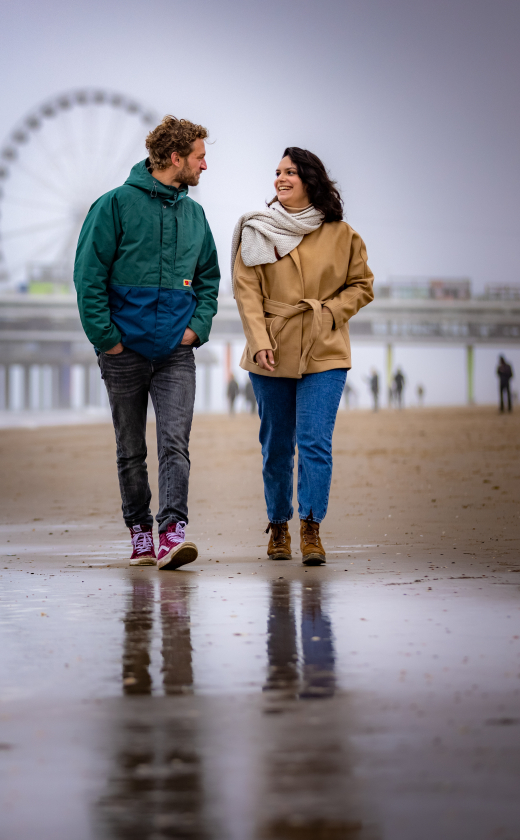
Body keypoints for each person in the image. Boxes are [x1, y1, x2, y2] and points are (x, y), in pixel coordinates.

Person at [74, 116, 220, 570]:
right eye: (199, 157)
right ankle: (140, 533)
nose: (205, 165)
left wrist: (196, 328)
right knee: (131, 449)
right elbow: (88, 278)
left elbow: (210, 279)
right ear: (175, 158)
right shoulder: (113, 205)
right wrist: (108, 341)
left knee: (175, 443)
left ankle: (172, 532)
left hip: (176, 352)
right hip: (124, 353)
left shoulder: (195, 215)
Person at [232, 147, 374, 565]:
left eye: (290, 172)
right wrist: (259, 339)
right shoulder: (257, 229)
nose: (281, 178)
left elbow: (362, 285)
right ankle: (279, 526)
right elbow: (246, 291)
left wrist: (329, 314)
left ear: (311, 180)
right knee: (277, 445)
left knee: (314, 441)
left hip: (324, 348)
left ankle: (311, 527)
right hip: (270, 349)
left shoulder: (343, 234)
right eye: (277, 172)